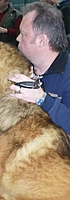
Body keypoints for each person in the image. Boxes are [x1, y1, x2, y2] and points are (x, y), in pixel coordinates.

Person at [8, 2, 70, 135]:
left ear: (42, 41)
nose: (18, 38)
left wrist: (41, 98)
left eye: (24, 34)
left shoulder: (68, 74)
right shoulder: (20, 67)